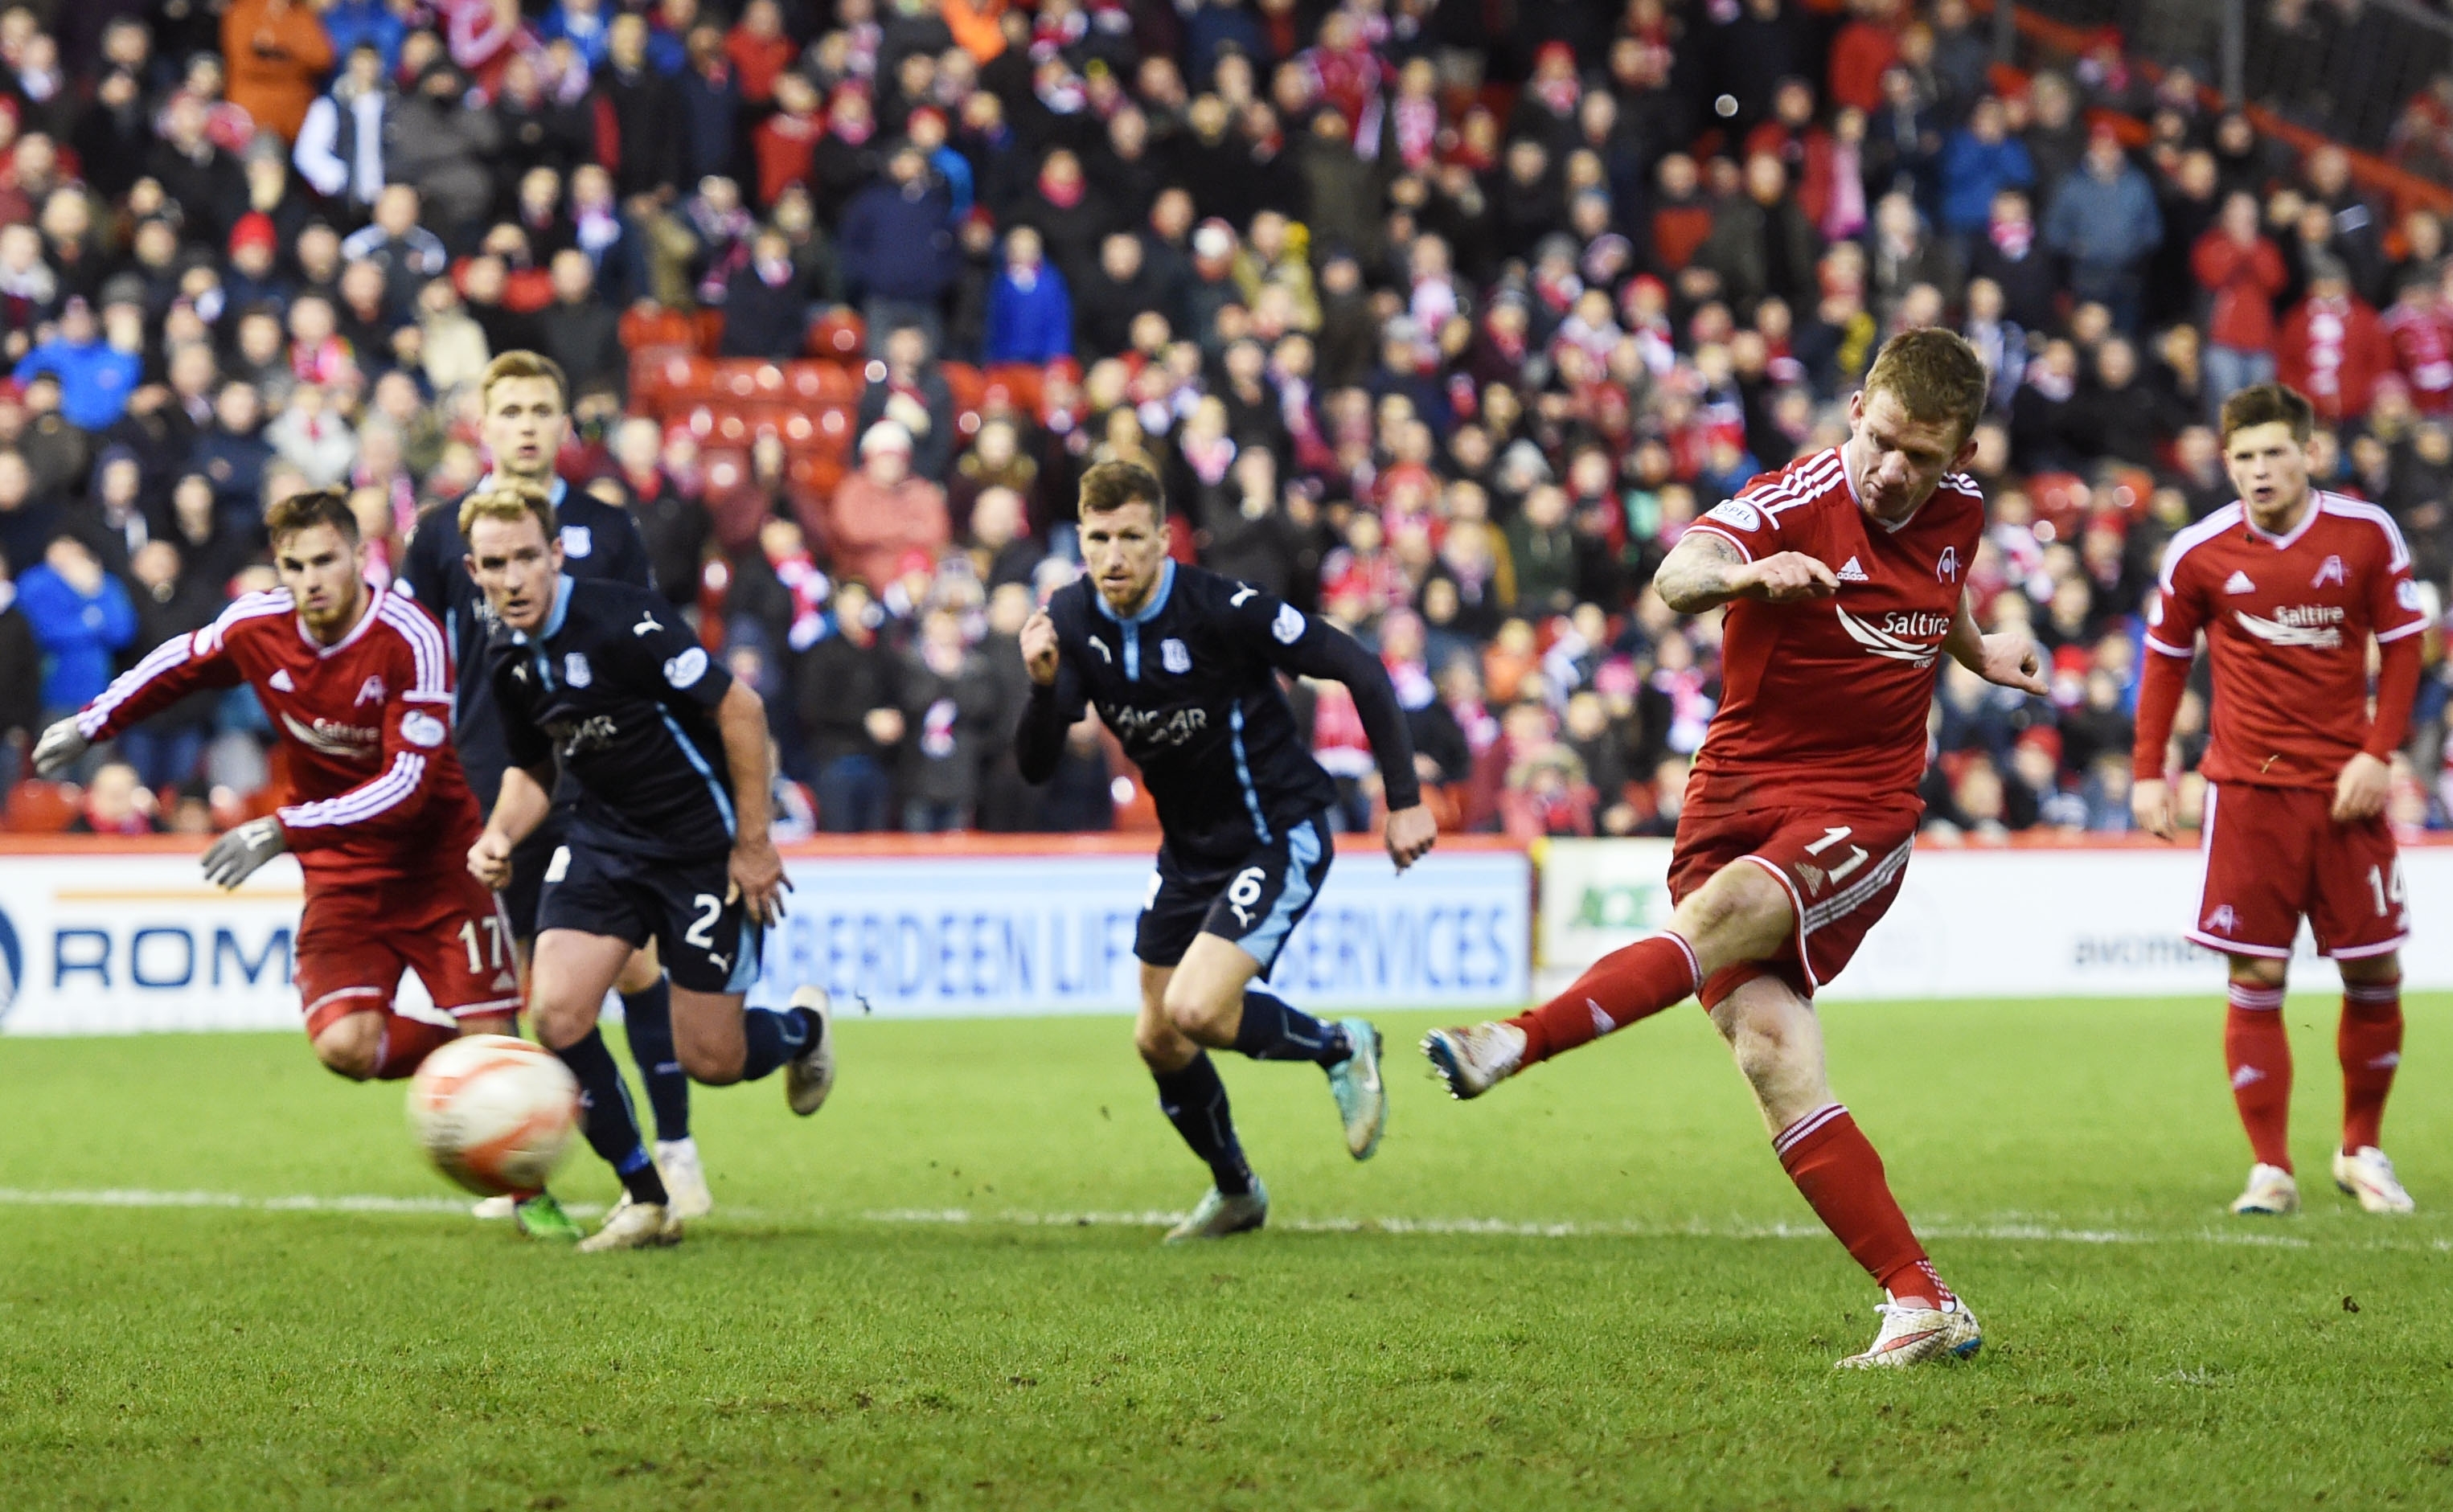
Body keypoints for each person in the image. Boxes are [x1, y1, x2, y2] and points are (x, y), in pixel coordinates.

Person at [1420, 330, 2049, 1369]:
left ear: (1960, 455)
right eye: (1882, 442)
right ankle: (1916, 1298)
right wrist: (1750, 578)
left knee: (1709, 925)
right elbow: (1679, 572)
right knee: (1770, 1056)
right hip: (1732, 799)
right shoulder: (1790, 498)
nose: (1895, 472)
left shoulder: (1960, 515)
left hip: (1861, 805)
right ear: (1855, 409)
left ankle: (1512, 1042)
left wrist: (1979, 653)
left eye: (1923, 458)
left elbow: (1944, 588)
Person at [1014, 461, 1438, 1242]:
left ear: (1163, 539)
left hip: (1279, 830)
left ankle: (1342, 1045)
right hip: (1188, 853)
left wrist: (1404, 800)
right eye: (1098, 538)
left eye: (1131, 538)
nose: (1114, 557)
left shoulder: (1220, 608)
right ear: (1079, 537)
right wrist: (1042, 688)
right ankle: (1237, 1190)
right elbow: (1037, 764)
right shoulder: (1072, 620)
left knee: (1197, 1008)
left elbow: (1358, 666)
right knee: (1157, 1036)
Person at [31, 489, 522, 1104]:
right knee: (346, 1045)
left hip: (437, 864)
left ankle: (524, 1170)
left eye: (325, 560)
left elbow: (407, 785)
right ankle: (488, 1072)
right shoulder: (255, 623)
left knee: (492, 1033)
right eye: (295, 566)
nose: (311, 580)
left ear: (360, 554)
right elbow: (178, 664)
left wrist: (281, 829)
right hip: (341, 870)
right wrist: (90, 723)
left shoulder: (410, 637)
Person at [459, 481, 835, 1253]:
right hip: (602, 843)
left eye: (528, 557)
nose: (514, 578)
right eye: (495, 564)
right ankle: (645, 1196)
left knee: (713, 1060)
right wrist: (500, 834)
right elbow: (534, 772)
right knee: (557, 1015)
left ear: (556, 553)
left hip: (701, 849)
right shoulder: (505, 656)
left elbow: (741, 709)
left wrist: (755, 843)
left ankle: (802, 1029)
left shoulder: (624, 619)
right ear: (474, 571)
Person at [397, 351, 709, 1228]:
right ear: (484, 424)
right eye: (512, 410)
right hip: (492, 776)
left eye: (543, 408)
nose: (528, 424)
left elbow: (645, 653)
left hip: (599, 776)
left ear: (564, 423)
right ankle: (536, 1160)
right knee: (537, 983)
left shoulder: (608, 529)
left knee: (633, 965)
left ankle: (677, 1155)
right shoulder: (437, 535)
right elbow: (416, 656)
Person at [2131, 383, 2423, 1219]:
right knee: (2255, 972)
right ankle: (2271, 1168)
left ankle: (2361, 1150)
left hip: (2346, 791)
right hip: (2248, 792)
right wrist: (2150, 769)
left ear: (2309, 454)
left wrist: (2378, 752)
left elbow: (2405, 651)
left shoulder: (2367, 535)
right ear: (2226, 463)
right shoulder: (2197, 552)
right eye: (2244, 457)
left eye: (2273, 453)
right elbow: (2164, 660)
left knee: (2377, 969)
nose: (2259, 471)